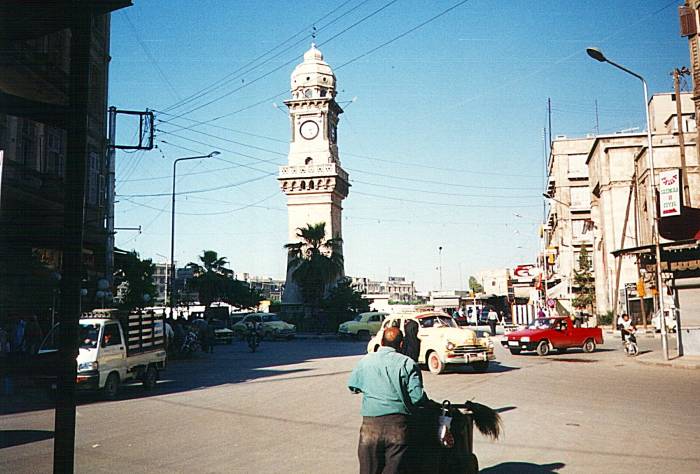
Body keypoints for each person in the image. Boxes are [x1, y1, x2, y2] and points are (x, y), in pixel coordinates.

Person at [348, 327, 427, 474]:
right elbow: (417, 398)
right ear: (401, 344)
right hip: (398, 427)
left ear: (382, 342)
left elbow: (353, 386)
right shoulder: (408, 363)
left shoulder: (365, 361)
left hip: (370, 427)